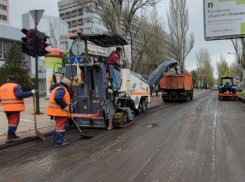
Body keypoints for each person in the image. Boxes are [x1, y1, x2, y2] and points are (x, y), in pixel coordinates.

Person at [0, 75, 35, 143]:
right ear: (15, 79)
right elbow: (19, 95)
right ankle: (10, 135)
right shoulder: (16, 86)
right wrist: (30, 93)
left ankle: (12, 134)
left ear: (8, 79)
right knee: (14, 122)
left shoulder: (2, 87)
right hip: (14, 107)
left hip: (6, 107)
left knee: (10, 122)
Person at [46, 78, 71, 147]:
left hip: (57, 111)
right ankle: (59, 142)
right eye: (69, 84)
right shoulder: (62, 89)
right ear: (67, 84)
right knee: (61, 127)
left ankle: (58, 140)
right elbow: (57, 98)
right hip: (60, 112)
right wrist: (65, 106)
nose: (69, 86)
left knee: (59, 127)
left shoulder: (58, 88)